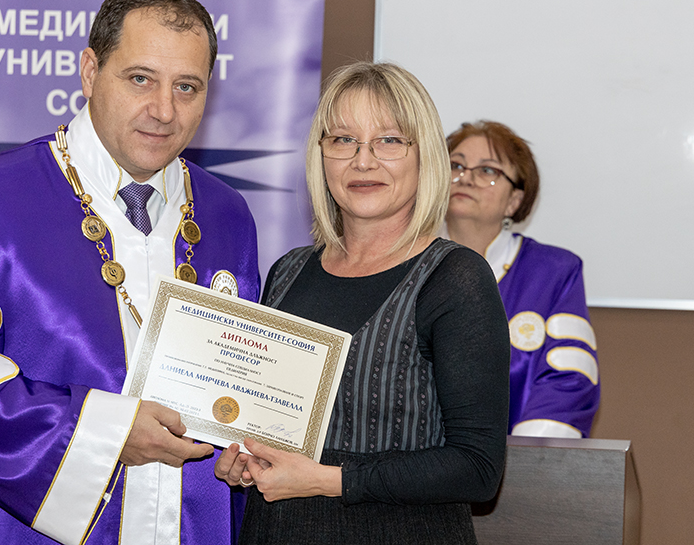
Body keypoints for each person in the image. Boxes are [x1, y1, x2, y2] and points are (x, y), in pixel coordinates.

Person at [0, 0, 260, 545]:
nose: (164, 110)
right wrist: (104, 435)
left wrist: (249, 446)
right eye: (140, 79)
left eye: (187, 87)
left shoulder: (227, 216)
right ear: (89, 72)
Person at [214, 62, 509, 545]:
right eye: (343, 140)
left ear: (424, 156)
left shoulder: (456, 278)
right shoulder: (288, 272)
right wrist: (246, 459)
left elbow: (477, 469)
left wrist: (329, 480)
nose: (363, 161)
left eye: (389, 141)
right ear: (321, 155)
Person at [444, 120, 599, 438]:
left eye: (487, 170)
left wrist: (519, 459)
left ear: (514, 201)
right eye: (456, 165)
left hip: (511, 460)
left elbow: (569, 380)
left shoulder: (553, 272)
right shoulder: (404, 260)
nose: (466, 178)